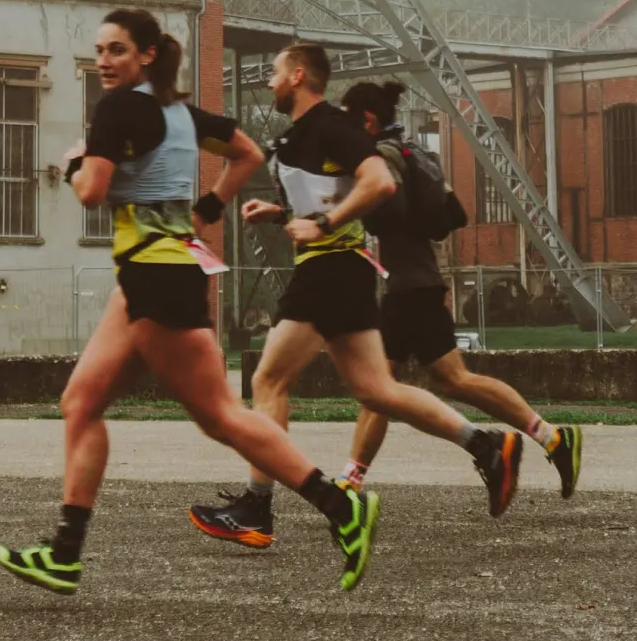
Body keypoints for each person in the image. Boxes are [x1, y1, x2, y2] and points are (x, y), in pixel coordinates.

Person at [0, 10, 383, 596]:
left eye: (117, 50)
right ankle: (64, 553)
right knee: (81, 401)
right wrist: (210, 206)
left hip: (158, 278)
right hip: (151, 275)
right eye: (100, 51)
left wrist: (75, 162)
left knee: (221, 417)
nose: (104, 61)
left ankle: (339, 506)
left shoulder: (120, 109)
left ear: (147, 55)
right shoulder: (180, 112)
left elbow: (92, 192)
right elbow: (246, 153)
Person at [189, 43, 522, 549]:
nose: (270, 79)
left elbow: (379, 182)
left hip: (329, 271)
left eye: (275, 71)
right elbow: (335, 194)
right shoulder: (303, 134)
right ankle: (486, 445)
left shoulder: (331, 126)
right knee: (377, 392)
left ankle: (256, 507)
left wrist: (322, 224)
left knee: (269, 379)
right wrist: (281, 216)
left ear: (298, 76)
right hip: (343, 271)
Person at [333, 80, 584, 498]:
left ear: (367, 120)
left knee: (391, 387)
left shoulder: (384, 156)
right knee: (437, 381)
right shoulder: (414, 150)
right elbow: (447, 213)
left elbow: (388, 203)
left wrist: (355, 214)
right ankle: (551, 439)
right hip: (417, 283)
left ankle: (350, 482)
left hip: (408, 288)